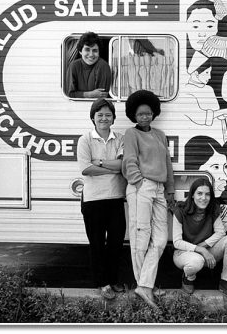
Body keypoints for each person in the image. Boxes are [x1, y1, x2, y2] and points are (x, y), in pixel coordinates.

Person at [122, 90, 175, 309]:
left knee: (161, 238)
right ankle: (145, 285)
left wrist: (169, 191)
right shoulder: (131, 133)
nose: (145, 117)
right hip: (141, 187)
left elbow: (168, 164)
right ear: (134, 115)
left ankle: (145, 284)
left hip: (160, 189)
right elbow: (129, 160)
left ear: (154, 113)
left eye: (149, 113)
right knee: (140, 237)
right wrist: (138, 182)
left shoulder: (160, 134)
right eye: (141, 114)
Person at [77, 98, 127, 300]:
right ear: (93, 118)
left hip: (115, 199)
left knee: (115, 243)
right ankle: (102, 283)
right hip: (92, 201)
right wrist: (111, 166)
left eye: (108, 115)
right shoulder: (85, 140)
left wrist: (98, 162)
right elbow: (85, 169)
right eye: (100, 115)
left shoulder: (121, 138)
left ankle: (113, 280)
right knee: (96, 243)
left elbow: (122, 166)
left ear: (113, 118)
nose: (104, 118)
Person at [172, 178, 227, 299]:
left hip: (206, 250)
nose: (203, 198)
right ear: (192, 195)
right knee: (196, 261)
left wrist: (203, 245)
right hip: (183, 253)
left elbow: (220, 233)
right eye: (199, 193)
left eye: (207, 194)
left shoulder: (213, 209)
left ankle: (225, 282)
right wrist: (199, 249)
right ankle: (188, 279)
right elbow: (177, 242)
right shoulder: (180, 211)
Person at [66, 32, 111, 98]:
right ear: (80, 51)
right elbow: (69, 94)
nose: (91, 54)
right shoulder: (74, 66)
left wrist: (80, 94)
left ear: (99, 52)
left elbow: (101, 96)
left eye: (95, 50)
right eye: (87, 50)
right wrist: (89, 94)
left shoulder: (103, 66)